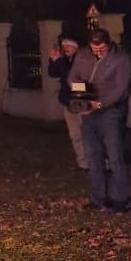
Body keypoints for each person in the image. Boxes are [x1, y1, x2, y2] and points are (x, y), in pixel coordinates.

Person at [65, 22, 131, 211]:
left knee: (115, 156)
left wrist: (101, 104)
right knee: (92, 156)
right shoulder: (83, 54)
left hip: (112, 111)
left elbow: (121, 88)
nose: (98, 52)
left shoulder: (121, 58)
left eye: (102, 48)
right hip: (89, 111)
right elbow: (72, 77)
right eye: (95, 48)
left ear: (108, 44)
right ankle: (98, 198)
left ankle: (120, 200)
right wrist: (82, 95)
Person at [47, 24, 87, 171]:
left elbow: (77, 79)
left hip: (81, 101)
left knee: (88, 133)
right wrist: (53, 60)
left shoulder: (82, 60)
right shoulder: (64, 61)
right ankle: (83, 163)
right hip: (68, 102)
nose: (65, 49)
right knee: (75, 135)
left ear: (75, 47)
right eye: (64, 46)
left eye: (68, 45)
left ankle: (99, 161)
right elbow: (52, 73)